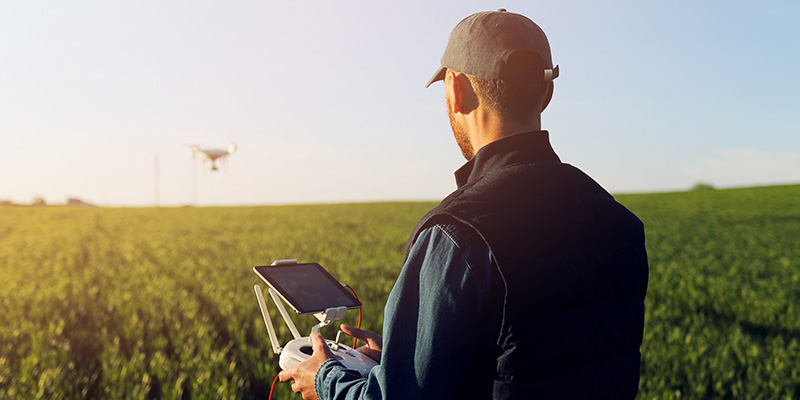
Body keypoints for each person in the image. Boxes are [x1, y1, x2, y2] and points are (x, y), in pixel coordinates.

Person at [279, 9, 649, 399]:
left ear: (456, 89)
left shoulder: (459, 232)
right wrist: (405, 359)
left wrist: (325, 378)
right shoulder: (619, 223)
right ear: (547, 92)